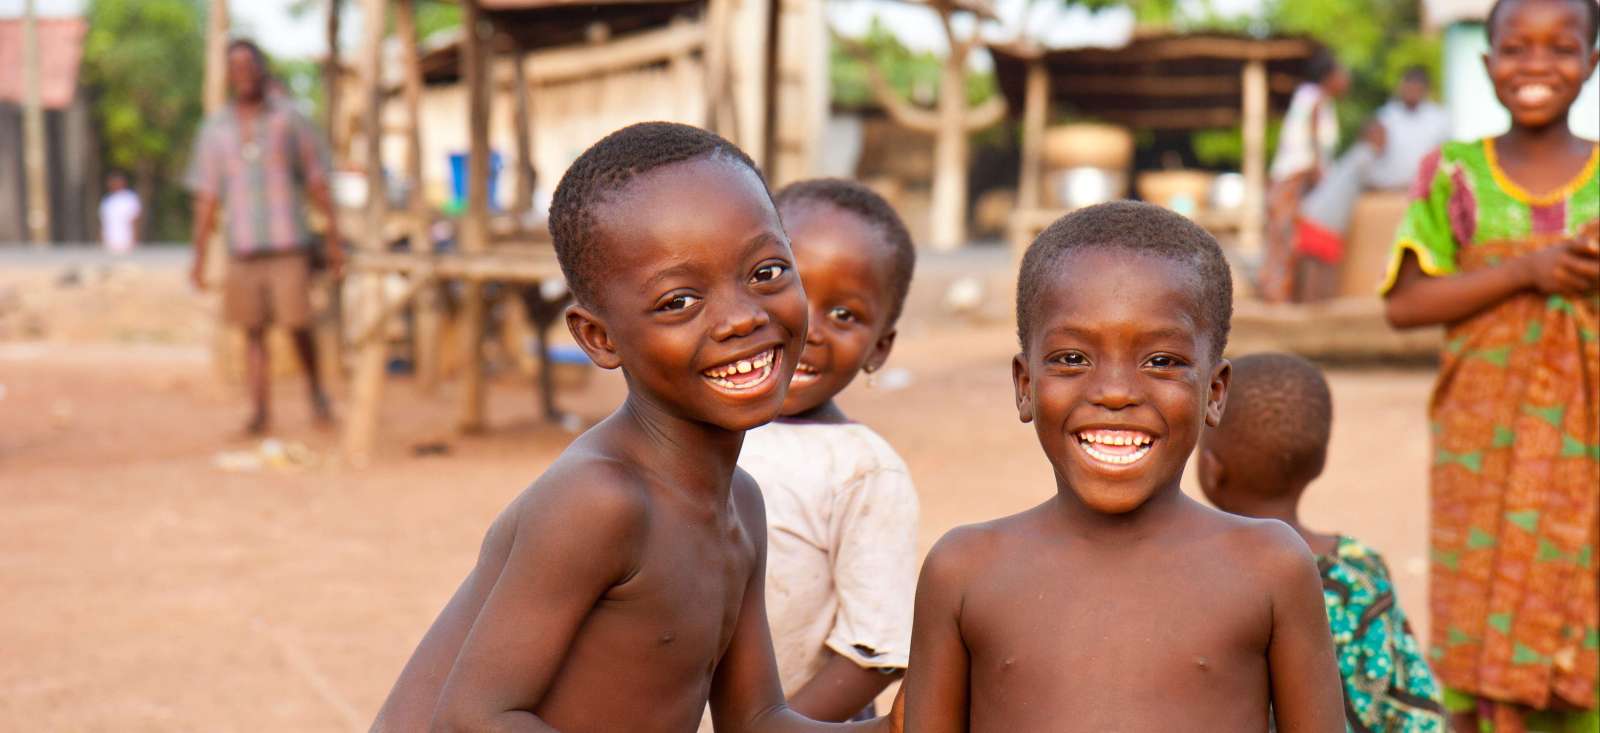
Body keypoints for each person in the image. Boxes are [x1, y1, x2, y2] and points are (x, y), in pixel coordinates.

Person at [370, 123, 900, 733]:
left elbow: (755, 721)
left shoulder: (741, 505)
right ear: (599, 337)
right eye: (678, 302)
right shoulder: (600, 501)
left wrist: (892, 729)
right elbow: (473, 720)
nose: (741, 319)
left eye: (766, 272)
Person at [900, 201, 1345, 733]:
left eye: (1162, 361)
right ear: (1025, 386)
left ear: (1215, 392)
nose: (1114, 392)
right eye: (1072, 359)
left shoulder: (1271, 566)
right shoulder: (964, 569)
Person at [1381, 0, 1600, 730]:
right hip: (1482, 441)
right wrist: (1529, 270)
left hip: (1586, 444)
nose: (1537, 65)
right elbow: (1406, 304)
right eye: (1516, 49)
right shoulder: (1453, 172)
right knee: (1476, 593)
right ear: (1487, 64)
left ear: (1593, 63)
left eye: (1562, 48)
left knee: (1578, 584)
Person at [695, 179, 920, 731]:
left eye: (844, 315)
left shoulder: (861, 471)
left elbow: (874, 651)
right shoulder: (686, 428)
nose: (806, 328)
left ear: (880, 349)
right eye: (776, 282)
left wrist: (771, 726)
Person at [1196, 352, 1449, 732]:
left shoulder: (1195, 577)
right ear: (1320, 461)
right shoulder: (1360, 570)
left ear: (1212, 469)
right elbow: (1415, 712)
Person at [186, 39, 342, 436]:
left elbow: (317, 182)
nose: (243, 74)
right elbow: (207, 197)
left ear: (261, 69)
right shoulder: (215, 130)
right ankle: (259, 412)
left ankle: (317, 396)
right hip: (243, 248)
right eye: (235, 67)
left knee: (297, 326)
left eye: (249, 65)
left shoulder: (289, 119)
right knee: (251, 333)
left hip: (288, 244)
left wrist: (335, 239)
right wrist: (199, 255)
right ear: (228, 75)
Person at [1297, 67, 1454, 300]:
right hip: (1324, 215)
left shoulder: (1439, 119)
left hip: (1329, 212)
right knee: (1318, 263)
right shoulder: (1382, 124)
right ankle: (1314, 305)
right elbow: (1373, 177)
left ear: (1424, 90)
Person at [1264, 49, 1351, 303]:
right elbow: (1313, 137)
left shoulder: (1310, 97)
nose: (1345, 80)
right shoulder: (1315, 98)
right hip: (1296, 176)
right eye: (1341, 74)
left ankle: (1282, 293)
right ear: (1328, 76)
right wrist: (1317, 174)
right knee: (1287, 236)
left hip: (1292, 176)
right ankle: (1278, 295)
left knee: (1286, 236)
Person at [99, 171, 141, 255]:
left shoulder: (129, 198)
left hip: (126, 242)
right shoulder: (107, 201)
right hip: (109, 242)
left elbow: (135, 221)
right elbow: (103, 223)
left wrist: (134, 240)